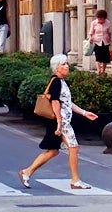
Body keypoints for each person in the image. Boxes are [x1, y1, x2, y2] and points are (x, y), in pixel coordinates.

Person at [19, 54, 97, 189]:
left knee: (53, 151)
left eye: (67, 64)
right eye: (64, 64)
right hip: (61, 122)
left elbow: (67, 103)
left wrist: (84, 113)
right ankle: (75, 180)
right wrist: (60, 122)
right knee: (73, 147)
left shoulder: (61, 82)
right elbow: (55, 102)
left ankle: (27, 172)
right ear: (57, 68)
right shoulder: (56, 82)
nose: (67, 66)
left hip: (61, 121)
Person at [87, 9, 112, 75]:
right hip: (97, 41)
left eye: (101, 19)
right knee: (98, 56)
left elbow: (109, 32)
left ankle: (103, 70)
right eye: (99, 18)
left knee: (106, 57)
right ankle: (99, 70)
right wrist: (91, 39)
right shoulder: (94, 23)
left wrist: (110, 39)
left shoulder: (108, 22)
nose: (100, 20)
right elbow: (91, 32)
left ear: (104, 18)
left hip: (105, 41)